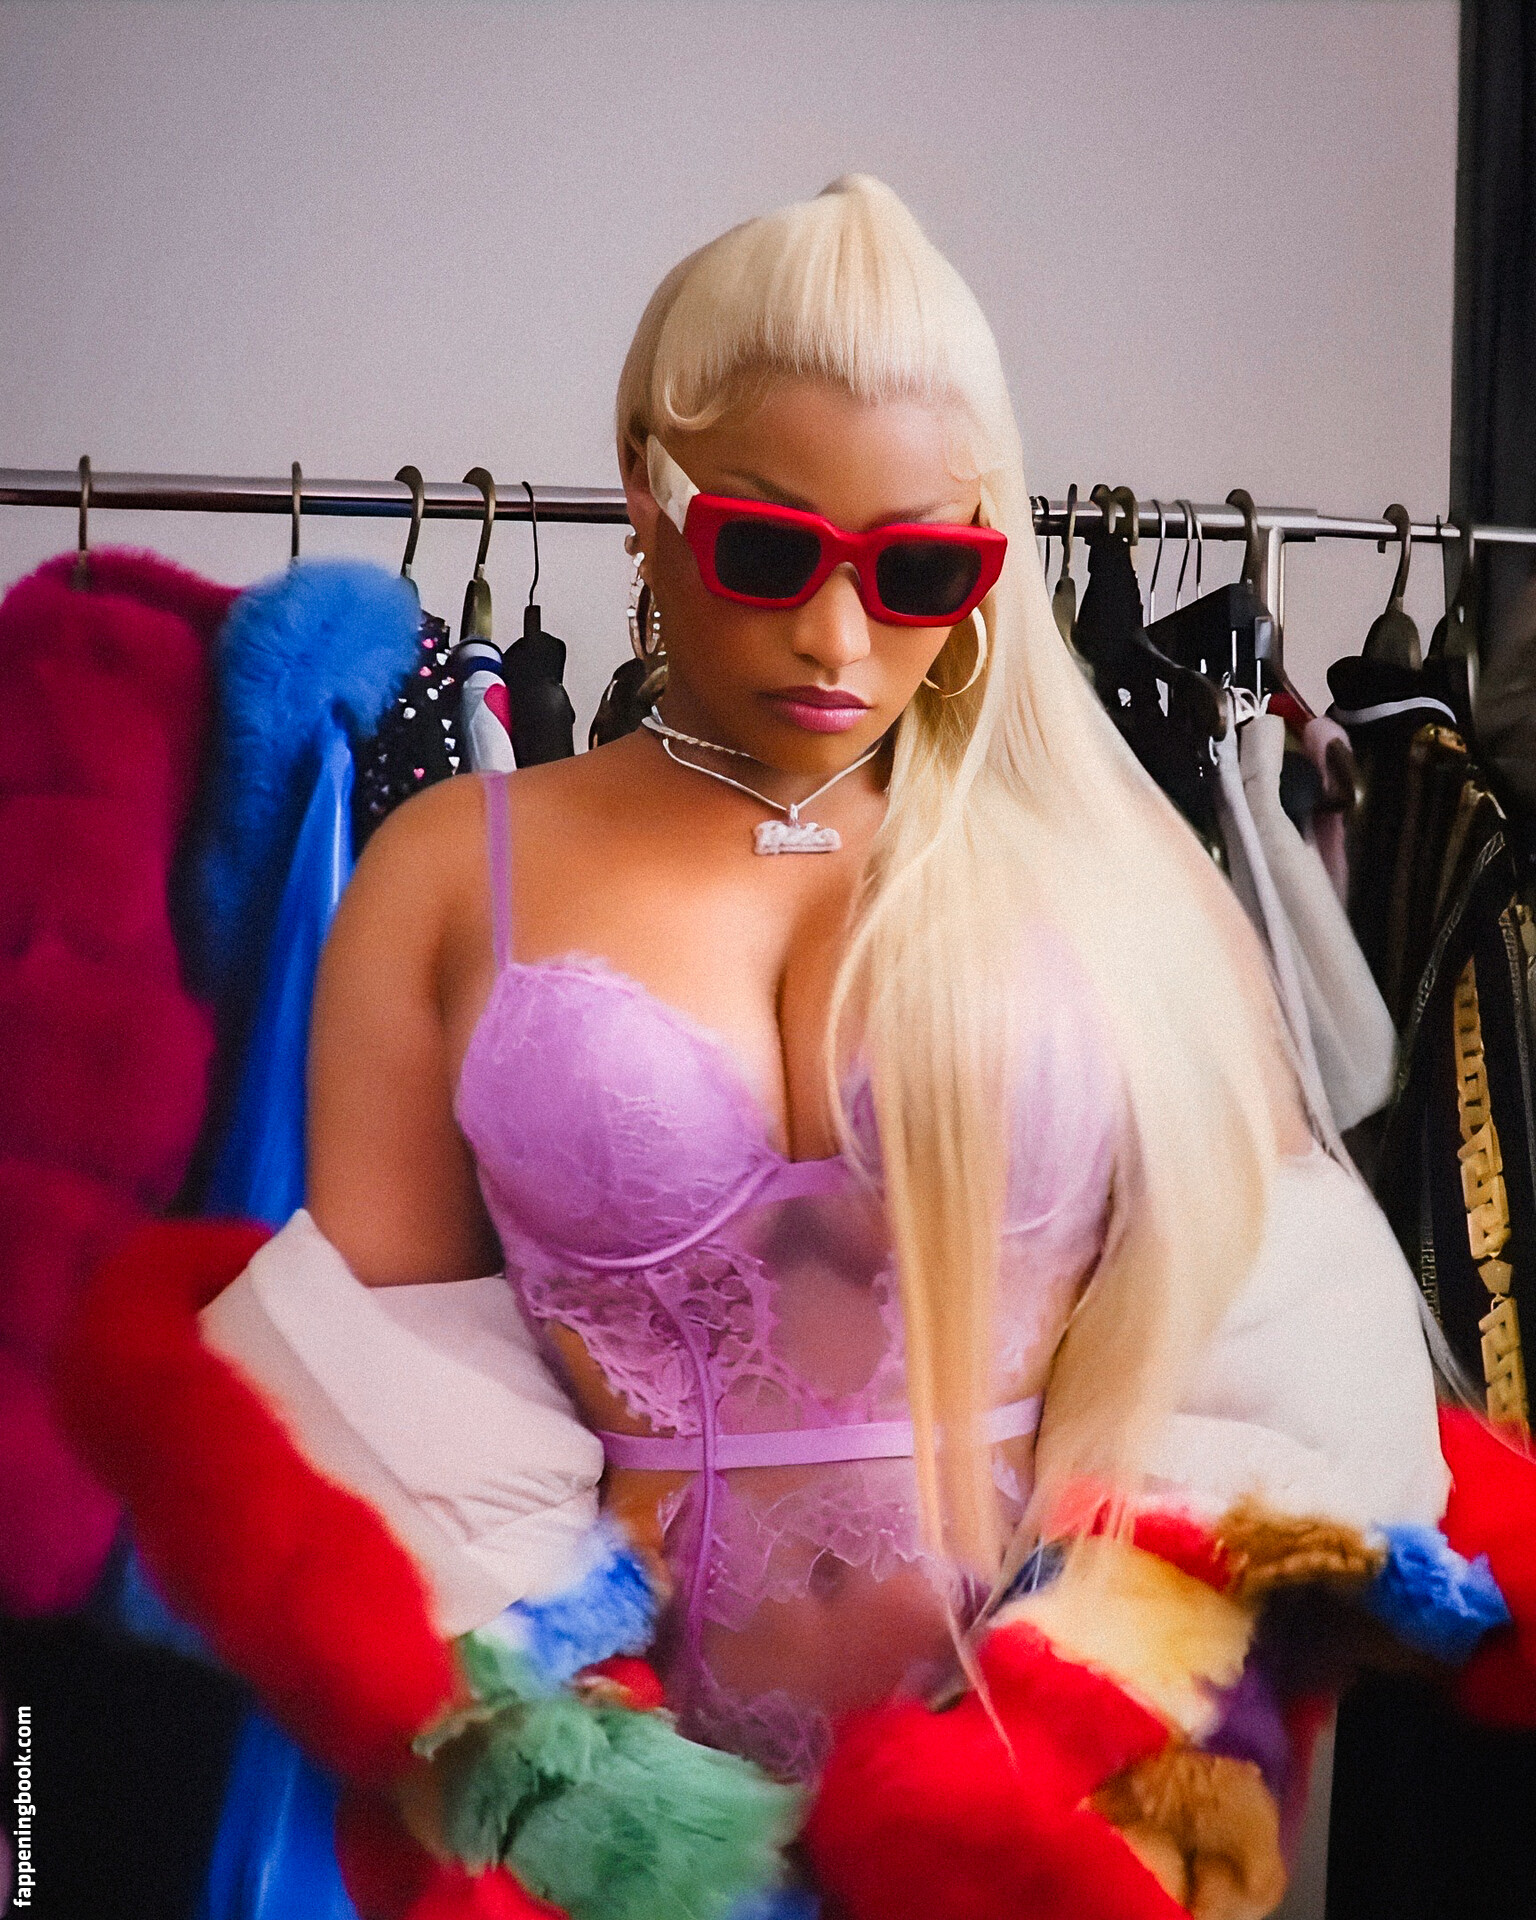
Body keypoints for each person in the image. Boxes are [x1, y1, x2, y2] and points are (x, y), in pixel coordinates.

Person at [64, 178, 1522, 1920]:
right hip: (614, 1837)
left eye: (921, 571)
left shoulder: (1113, 866)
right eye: (767, 551)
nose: (839, 638)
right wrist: (587, 1812)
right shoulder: (452, 873)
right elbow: (395, 1403)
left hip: (1051, 1819)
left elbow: (1263, 1323)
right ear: (645, 489)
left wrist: (1108, 1719)